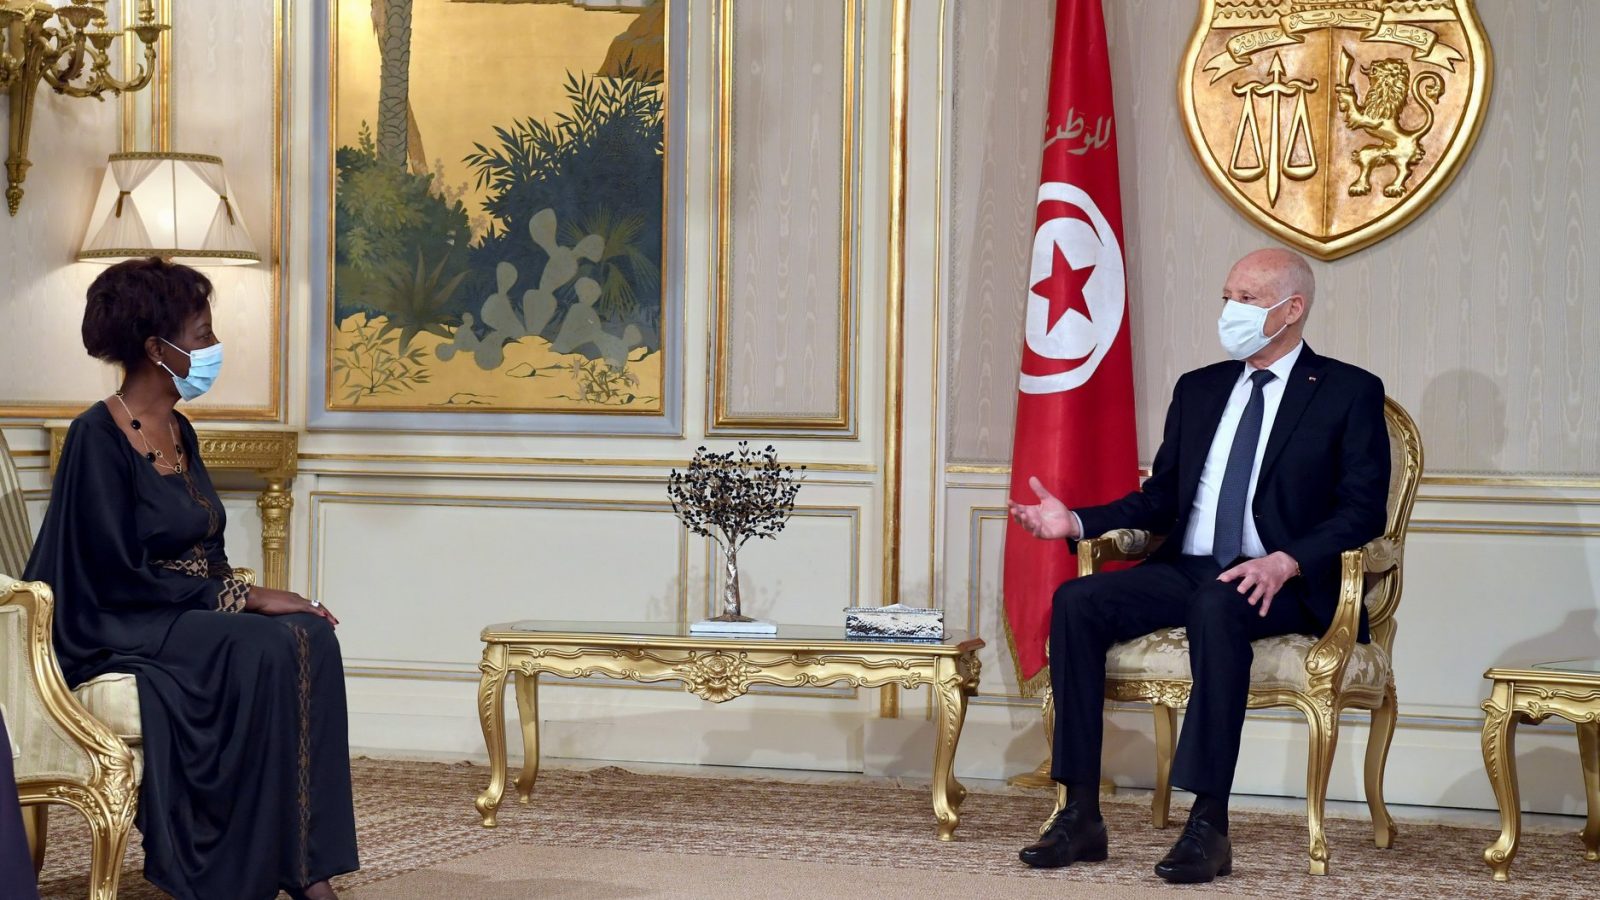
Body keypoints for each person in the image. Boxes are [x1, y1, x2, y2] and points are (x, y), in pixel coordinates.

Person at [1008, 248, 1390, 884]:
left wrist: (1288, 560)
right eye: (1227, 296)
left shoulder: (1348, 391)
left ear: (1291, 309)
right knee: (1078, 602)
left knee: (1218, 602)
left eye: (1247, 299)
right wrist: (1076, 521)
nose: (1229, 310)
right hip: (1190, 566)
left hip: (1281, 579)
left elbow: (1361, 510)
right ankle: (1079, 813)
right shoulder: (1201, 388)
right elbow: (1161, 498)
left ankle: (1208, 824)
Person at [23, 258, 359, 900]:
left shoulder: (180, 429)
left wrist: (240, 597)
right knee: (263, 645)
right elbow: (114, 572)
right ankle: (235, 866)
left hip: (181, 611)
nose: (213, 348)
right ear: (157, 349)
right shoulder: (95, 437)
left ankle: (305, 865)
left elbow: (207, 546)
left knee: (312, 634)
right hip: (117, 621)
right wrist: (244, 597)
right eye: (202, 335)